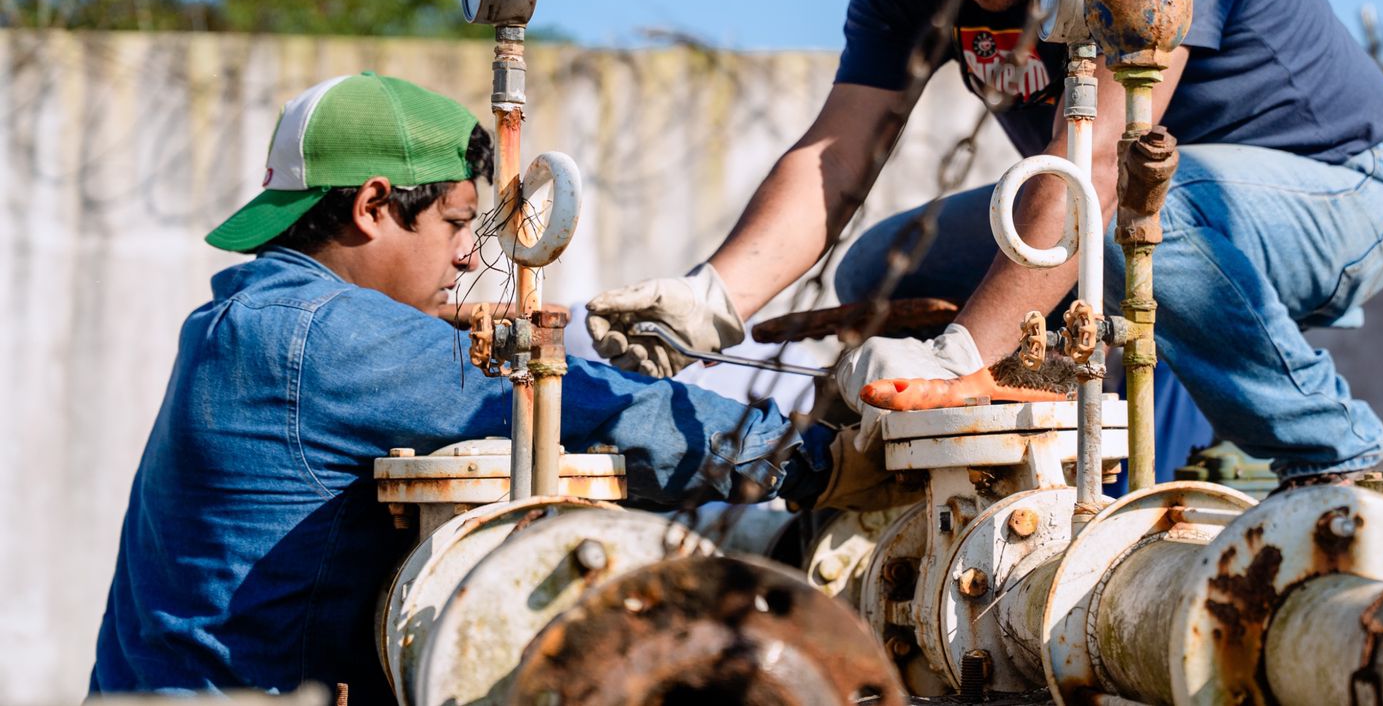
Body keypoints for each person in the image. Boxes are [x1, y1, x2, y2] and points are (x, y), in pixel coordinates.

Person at [586, 0, 1383, 489]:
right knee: (878, 274)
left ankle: (1339, 458)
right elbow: (835, 154)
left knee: (1133, 210)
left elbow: (1098, 163)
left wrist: (959, 362)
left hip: (1340, 194)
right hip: (1133, 207)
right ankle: (1009, 470)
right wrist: (712, 296)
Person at [89, 72, 899, 701]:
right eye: (454, 222)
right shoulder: (324, 338)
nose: (470, 257)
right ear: (373, 206)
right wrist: (813, 461)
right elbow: (583, 410)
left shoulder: (243, 318)